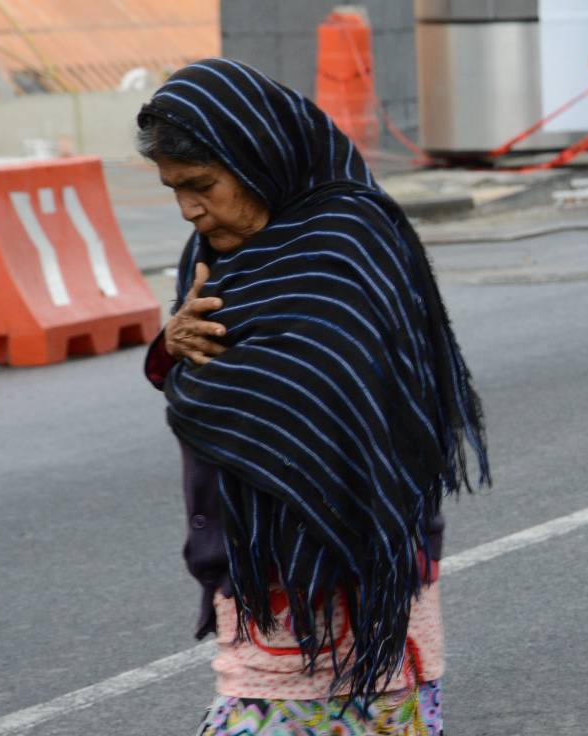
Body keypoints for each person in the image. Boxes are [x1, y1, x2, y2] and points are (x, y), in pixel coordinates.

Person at [139, 58, 489, 736]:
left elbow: (345, 407)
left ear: (257, 158)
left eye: (201, 185)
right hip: (256, 583)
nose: (188, 208)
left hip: (352, 581)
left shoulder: (349, 244)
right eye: (173, 189)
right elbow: (209, 393)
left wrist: (208, 375)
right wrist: (173, 347)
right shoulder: (217, 253)